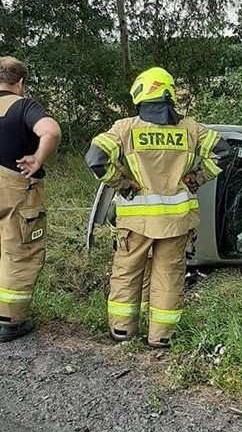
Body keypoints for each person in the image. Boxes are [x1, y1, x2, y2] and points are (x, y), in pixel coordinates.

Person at [85, 67, 232, 348]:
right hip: (175, 222)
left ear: (141, 93)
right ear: (169, 94)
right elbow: (224, 152)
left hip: (135, 222)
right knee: (168, 275)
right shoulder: (190, 129)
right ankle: (160, 337)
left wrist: (123, 183)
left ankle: (122, 332)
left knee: (128, 273)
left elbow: (95, 158)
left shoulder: (125, 128)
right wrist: (198, 178)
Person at [0, 56, 61, 342]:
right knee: (19, 251)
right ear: (20, 82)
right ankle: (9, 321)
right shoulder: (23, 106)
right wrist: (37, 158)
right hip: (15, 191)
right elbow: (50, 131)